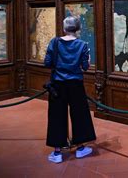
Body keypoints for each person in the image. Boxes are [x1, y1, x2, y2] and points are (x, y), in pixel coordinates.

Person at [44, 16, 96, 163]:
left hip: (58, 84)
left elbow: (47, 63)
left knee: (56, 116)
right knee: (80, 114)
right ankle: (80, 148)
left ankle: (57, 152)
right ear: (78, 29)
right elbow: (85, 67)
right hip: (76, 84)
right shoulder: (83, 45)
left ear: (64, 28)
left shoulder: (54, 42)